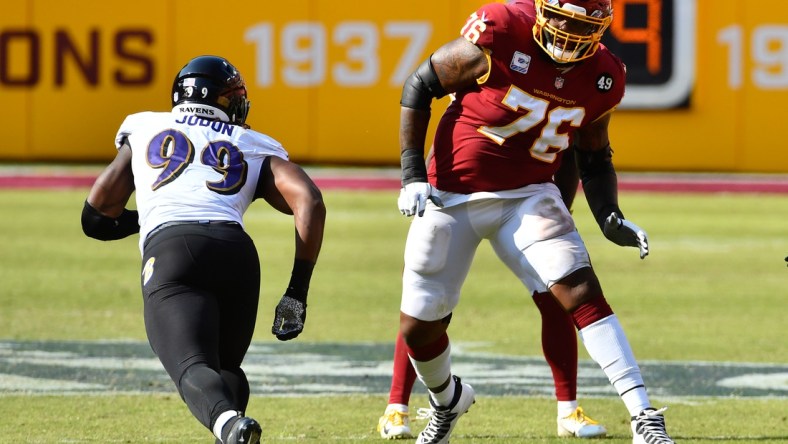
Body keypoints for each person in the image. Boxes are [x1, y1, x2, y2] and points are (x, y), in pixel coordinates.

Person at [394, 0, 674, 443]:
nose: (567, 32)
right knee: (419, 325)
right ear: (543, 10)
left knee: (579, 288)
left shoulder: (604, 74)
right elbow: (418, 86)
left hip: (528, 194)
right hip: (452, 190)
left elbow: (594, 153)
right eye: (562, 19)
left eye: (581, 25)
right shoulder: (502, 29)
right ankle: (448, 401)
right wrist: (411, 175)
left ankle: (644, 416)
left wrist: (608, 214)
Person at [81, 55, 326, 444]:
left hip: (173, 250)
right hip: (237, 253)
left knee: (191, 366)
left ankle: (230, 424)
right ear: (222, 99)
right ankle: (230, 426)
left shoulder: (145, 125)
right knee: (225, 369)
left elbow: (96, 216)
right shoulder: (252, 142)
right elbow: (309, 200)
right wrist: (297, 292)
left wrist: (147, 217)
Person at [377, 148, 608, 440]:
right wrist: (419, 178)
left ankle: (568, 409)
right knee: (422, 302)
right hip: (459, 190)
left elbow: (572, 141)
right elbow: (443, 118)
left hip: (519, 196)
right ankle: (397, 405)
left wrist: (562, 204)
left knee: (556, 295)